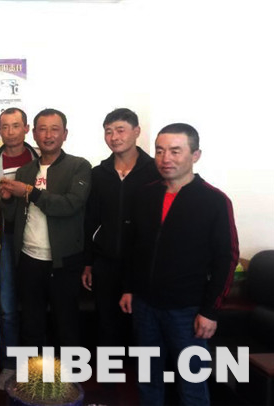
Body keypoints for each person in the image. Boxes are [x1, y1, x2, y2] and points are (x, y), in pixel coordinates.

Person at [119, 123, 239, 405]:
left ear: (195, 155)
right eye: (160, 151)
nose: (166, 159)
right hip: (145, 306)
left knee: (192, 383)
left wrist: (210, 311)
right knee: (148, 378)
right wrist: (129, 288)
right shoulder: (145, 195)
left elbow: (227, 258)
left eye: (175, 151)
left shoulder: (214, 200)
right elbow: (133, 247)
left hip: (188, 311)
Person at [0, 108, 91, 352]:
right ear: (34, 134)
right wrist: (7, 200)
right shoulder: (26, 171)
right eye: (42, 129)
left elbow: (71, 204)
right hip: (29, 258)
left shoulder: (79, 166)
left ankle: (69, 371)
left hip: (63, 261)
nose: (48, 135)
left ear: (65, 134)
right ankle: (33, 372)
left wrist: (30, 192)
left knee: (66, 323)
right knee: (31, 323)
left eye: (54, 129)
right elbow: (15, 217)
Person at [82, 108, 160, 348]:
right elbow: (90, 220)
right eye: (108, 132)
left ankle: (141, 372)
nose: (114, 137)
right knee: (106, 325)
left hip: (143, 265)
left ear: (136, 131)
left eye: (120, 130)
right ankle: (110, 371)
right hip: (106, 263)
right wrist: (88, 262)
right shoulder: (99, 173)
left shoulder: (155, 171)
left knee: (142, 328)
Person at [0, 107, 39, 390]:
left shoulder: (41, 158)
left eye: (16, 126)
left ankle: (38, 365)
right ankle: (10, 364)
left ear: (26, 128)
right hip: (2, 240)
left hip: (35, 239)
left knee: (35, 304)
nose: (11, 132)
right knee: (6, 307)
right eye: (5, 126)